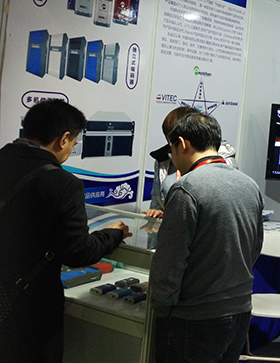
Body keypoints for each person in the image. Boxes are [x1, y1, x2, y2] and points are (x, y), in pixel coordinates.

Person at [0, 99, 131, 363]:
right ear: (63, 139)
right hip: (29, 307)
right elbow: (77, 251)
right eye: (73, 143)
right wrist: (112, 233)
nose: (71, 149)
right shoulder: (62, 183)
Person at [150, 112, 264, 363]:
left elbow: (170, 260)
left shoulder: (186, 188)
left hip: (195, 317)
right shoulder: (249, 184)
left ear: (182, 144)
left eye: (171, 149)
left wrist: (161, 305)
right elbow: (255, 247)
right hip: (240, 311)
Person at [144, 106, 238, 220]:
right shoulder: (163, 159)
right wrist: (158, 213)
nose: (170, 143)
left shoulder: (223, 163)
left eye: (174, 138)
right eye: (169, 137)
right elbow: (157, 200)